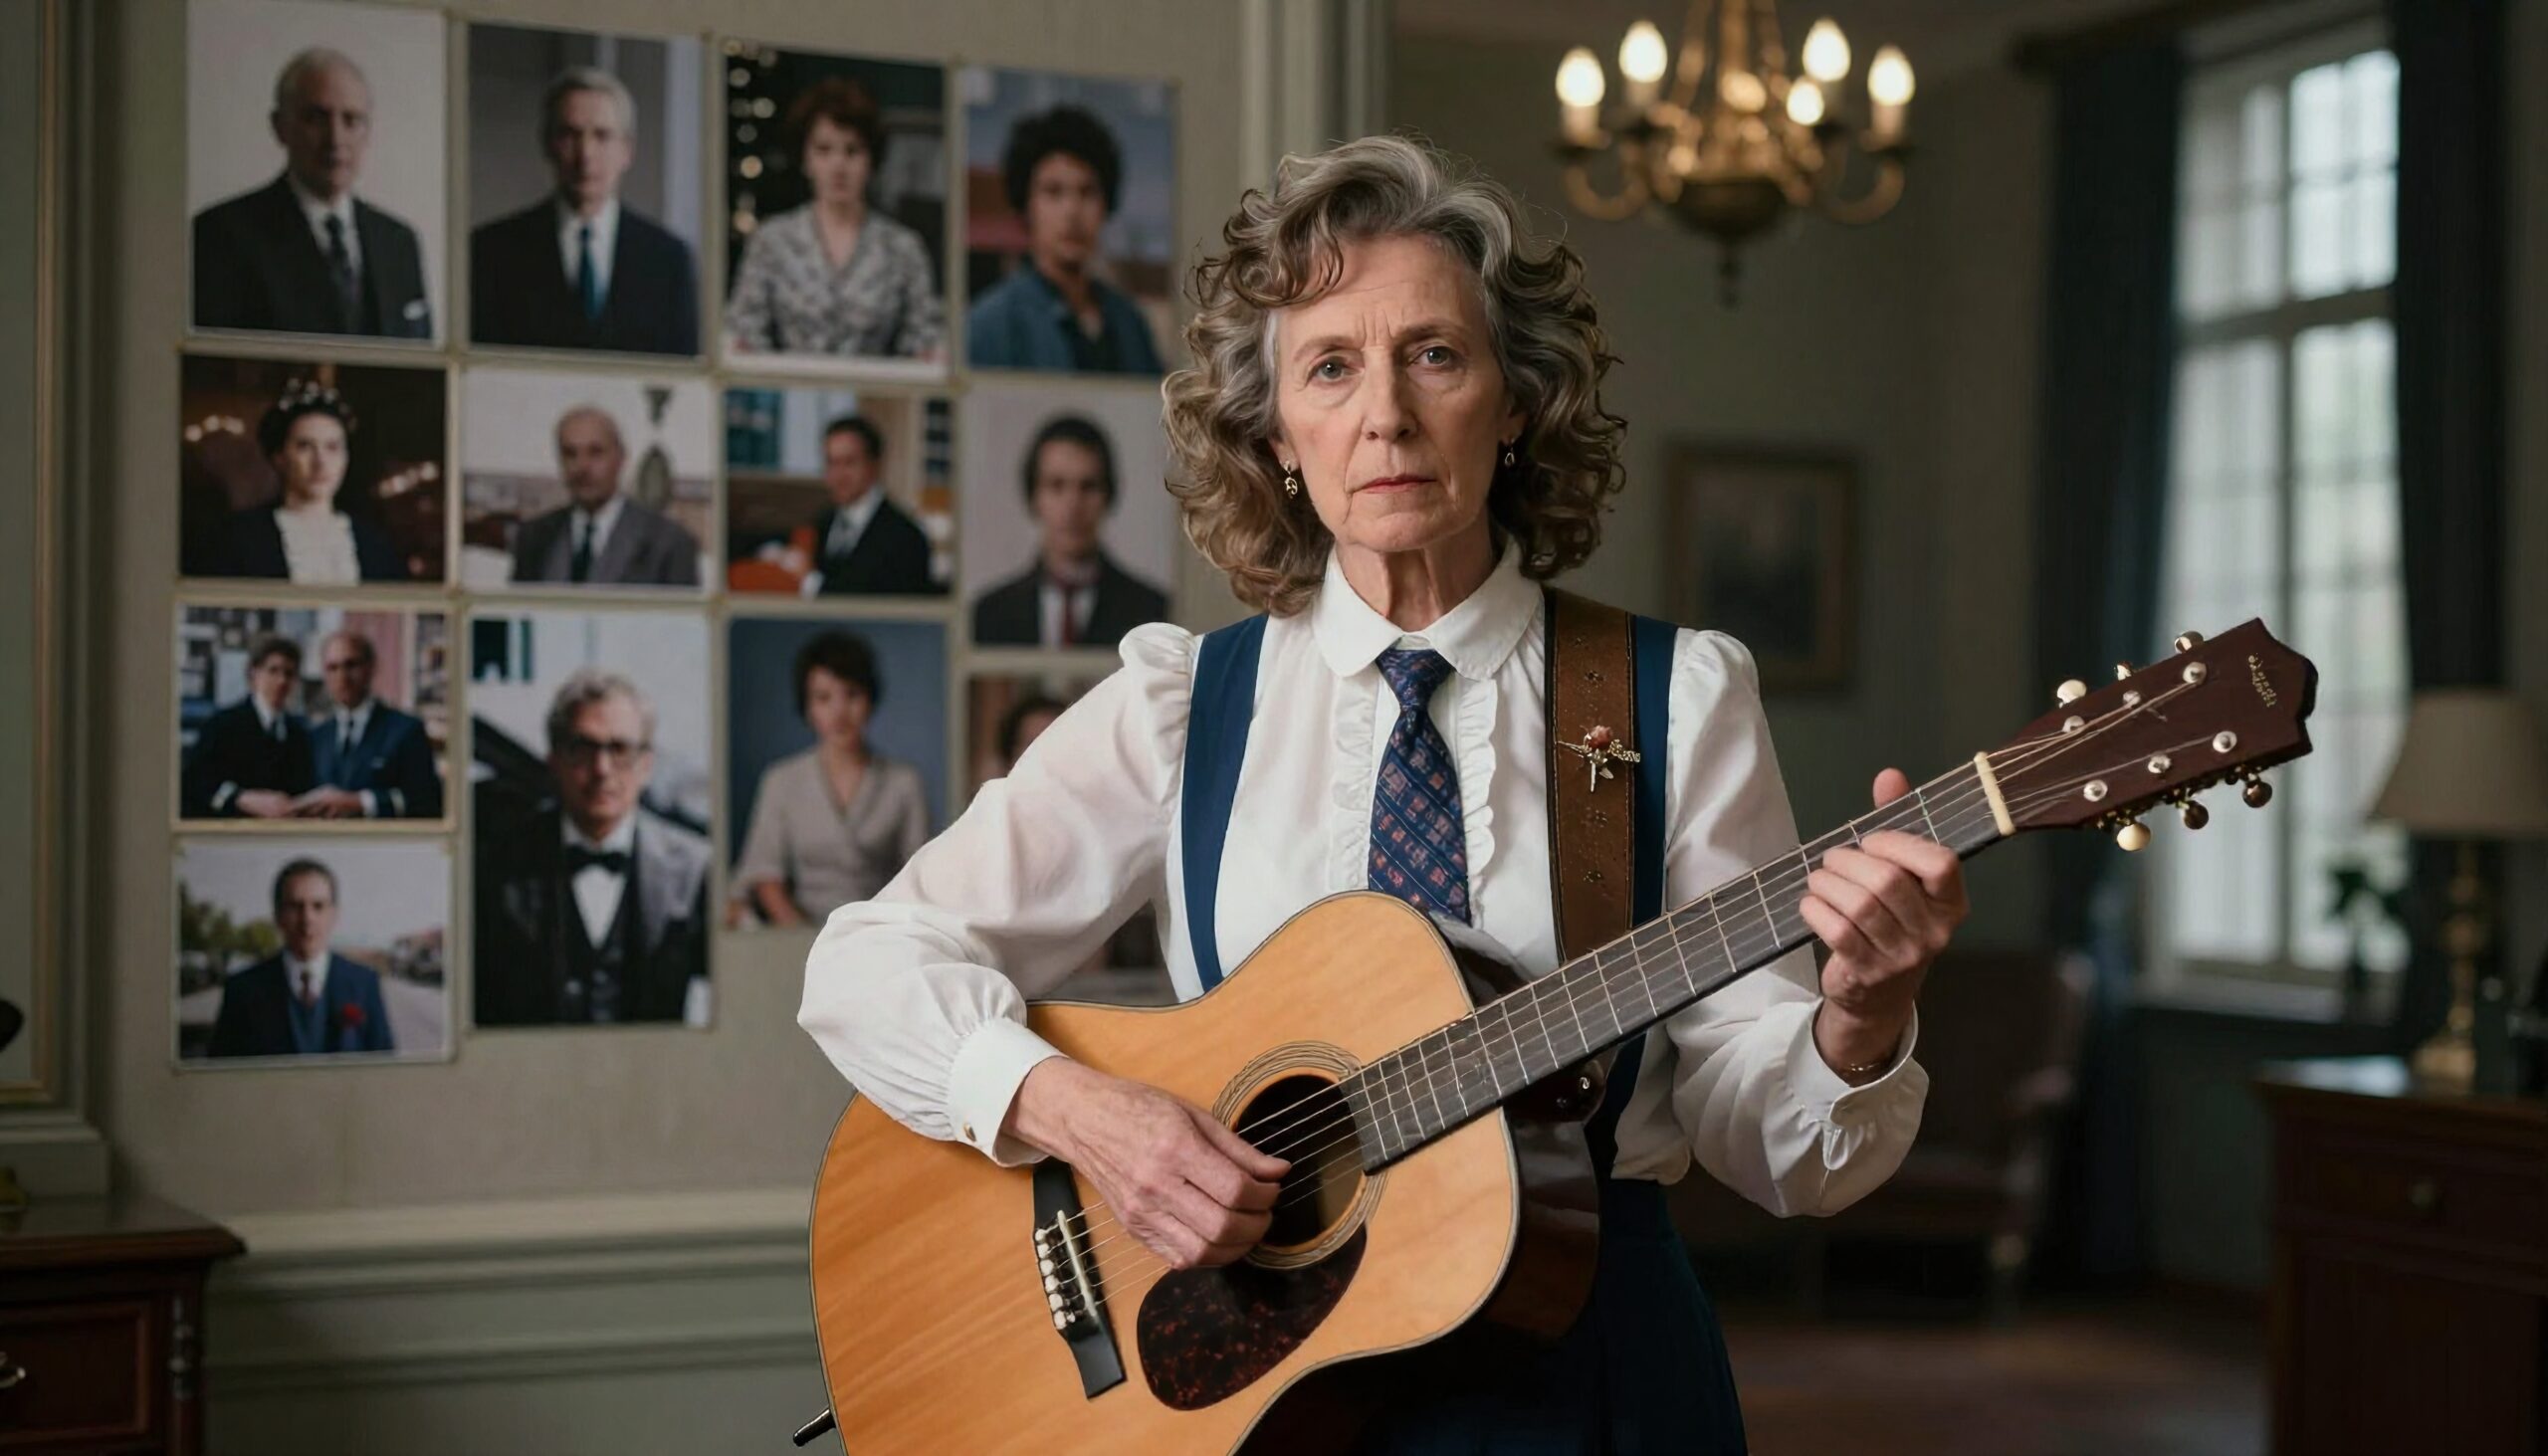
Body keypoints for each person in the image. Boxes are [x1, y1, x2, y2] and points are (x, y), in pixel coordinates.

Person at [802, 136, 1969, 1451]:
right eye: (1330, 367)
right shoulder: (1182, 706)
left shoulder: (1673, 695)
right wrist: (1082, 1111)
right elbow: (864, 960)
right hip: (1254, 1385)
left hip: (1586, 1366)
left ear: (1516, 400)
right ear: (1276, 435)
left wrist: (1860, 1019)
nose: (1386, 417)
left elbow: (1771, 1141)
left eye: (1434, 355)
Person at [475, 671, 711, 1025]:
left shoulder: (697, 868)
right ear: (554, 761)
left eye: (620, 749)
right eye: (582, 749)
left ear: (646, 765)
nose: (601, 769)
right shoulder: (494, 865)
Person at [193, 48, 433, 338]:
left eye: (351, 120)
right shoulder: (223, 235)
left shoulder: (399, 242)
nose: (336, 139)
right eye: (317, 118)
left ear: (367, 132)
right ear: (280, 127)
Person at [470, 68, 699, 355]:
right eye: (570, 135)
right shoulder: (491, 251)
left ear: (627, 151)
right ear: (548, 144)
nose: (585, 155)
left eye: (602, 136)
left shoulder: (669, 260)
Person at [726, 77, 944, 361]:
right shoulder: (771, 240)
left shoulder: (903, 247)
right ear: (805, 159)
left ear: (871, 160)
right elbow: (745, 337)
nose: (838, 166)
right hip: (786, 385)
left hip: (876, 387)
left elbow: (923, 346)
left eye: (852, 151)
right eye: (824, 150)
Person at [735, 631, 932, 929]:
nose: (839, 712)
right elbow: (765, 876)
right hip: (798, 933)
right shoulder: (781, 780)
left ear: (870, 700)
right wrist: (805, 938)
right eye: (824, 698)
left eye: (851, 694)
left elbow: (920, 877)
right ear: (808, 708)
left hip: (881, 932)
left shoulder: (904, 782)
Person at [964, 104, 1163, 374]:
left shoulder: (1129, 323)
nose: (1072, 212)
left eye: (1087, 192)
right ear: (1027, 205)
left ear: (1106, 204)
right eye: (1053, 192)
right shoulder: (990, 325)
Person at [968, 414, 1168, 647]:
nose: (1073, 505)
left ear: (1108, 496)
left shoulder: (1153, 613)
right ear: (1034, 498)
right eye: (1056, 486)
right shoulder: (989, 615)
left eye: (1088, 486)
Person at [212, 381, 406, 583]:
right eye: (305, 446)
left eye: (332, 447)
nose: (320, 462)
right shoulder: (242, 538)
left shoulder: (374, 544)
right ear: (280, 457)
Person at [208, 858, 396, 1058]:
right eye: (295, 906)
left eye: (318, 906)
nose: (307, 919)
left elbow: (385, 1065)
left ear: (334, 914)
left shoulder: (364, 984)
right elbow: (221, 1069)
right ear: (278, 915)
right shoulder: (242, 990)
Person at [509, 405, 702, 587]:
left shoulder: (669, 542)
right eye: (570, 454)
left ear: (621, 457)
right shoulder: (533, 538)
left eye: (596, 452)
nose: (582, 467)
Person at [299, 629, 443, 819]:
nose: (342, 676)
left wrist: (361, 802)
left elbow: (427, 801)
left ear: (371, 667)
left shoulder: (406, 730)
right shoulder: (316, 737)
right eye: (332, 668)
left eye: (351, 665)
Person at [181, 633, 316, 819]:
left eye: (289, 673)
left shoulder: (299, 734)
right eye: (273, 670)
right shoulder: (222, 724)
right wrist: (240, 798)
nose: (281, 680)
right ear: (254, 673)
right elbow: (194, 782)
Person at [805, 414, 938, 596]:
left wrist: (810, 583)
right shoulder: (822, 523)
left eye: (849, 463)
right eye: (831, 463)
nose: (837, 475)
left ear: (874, 465)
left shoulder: (906, 538)